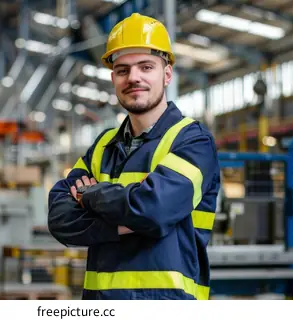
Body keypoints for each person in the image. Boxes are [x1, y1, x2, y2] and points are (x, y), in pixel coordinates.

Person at [47, 12, 221, 300]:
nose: (134, 78)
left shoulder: (193, 141)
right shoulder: (102, 146)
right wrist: (130, 219)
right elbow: (60, 220)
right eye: (123, 69)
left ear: (166, 74)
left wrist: (92, 196)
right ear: (113, 77)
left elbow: (153, 210)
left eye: (146, 66)